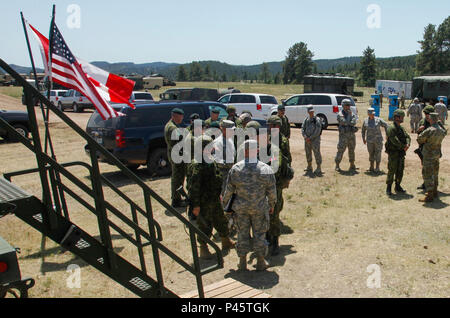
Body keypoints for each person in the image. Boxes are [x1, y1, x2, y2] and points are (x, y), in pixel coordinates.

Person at [222, 140, 277, 271]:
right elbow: (272, 191)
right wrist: (272, 204)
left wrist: (225, 206)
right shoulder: (265, 169)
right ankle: (261, 261)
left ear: (244, 151)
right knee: (260, 234)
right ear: (257, 150)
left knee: (242, 234)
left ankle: (242, 262)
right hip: (259, 208)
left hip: (241, 209)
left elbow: (228, 191)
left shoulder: (235, 169)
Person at [186, 135, 235, 259]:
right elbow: (193, 188)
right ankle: (204, 249)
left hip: (214, 199)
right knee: (204, 225)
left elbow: (216, 178)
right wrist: (195, 206)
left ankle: (226, 241)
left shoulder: (210, 160)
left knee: (221, 220)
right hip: (203, 202)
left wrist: (218, 194)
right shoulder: (196, 165)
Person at [266, 115, 292, 256]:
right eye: (270, 125)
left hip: (276, 182)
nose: (272, 128)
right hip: (264, 181)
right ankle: (266, 237)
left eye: (274, 126)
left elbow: (287, 161)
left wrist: (286, 178)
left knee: (275, 211)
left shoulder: (282, 140)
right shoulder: (265, 139)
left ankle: (274, 241)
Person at [417, 113, 447, 202]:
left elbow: (419, 139)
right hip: (436, 154)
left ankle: (429, 195)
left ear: (431, 119)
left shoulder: (429, 130)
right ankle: (434, 191)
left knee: (427, 174)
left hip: (428, 155)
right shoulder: (441, 130)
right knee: (435, 173)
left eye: (429, 119)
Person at [164, 108, 187, 207]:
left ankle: (177, 198)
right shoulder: (172, 128)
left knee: (177, 178)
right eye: (180, 117)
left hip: (174, 155)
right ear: (175, 116)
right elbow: (179, 142)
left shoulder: (171, 125)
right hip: (177, 156)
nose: (182, 119)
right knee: (178, 179)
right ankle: (176, 200)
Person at [385, 109, 411, 195]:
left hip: (401, 153)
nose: (403, 118)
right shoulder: (391, 128)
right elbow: (394, 140)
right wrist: (404, 147)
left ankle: (398, 185)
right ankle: (388, 188)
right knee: (392, 170)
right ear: (396, 117)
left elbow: (407, 136)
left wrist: (407, 144)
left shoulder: (401, 128)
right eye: (401, 117)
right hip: (393, 153)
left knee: (400, 170)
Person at [212, 120, 236, 194]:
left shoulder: (230, 140)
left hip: (230, 173)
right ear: (224, 129)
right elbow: (216, 160)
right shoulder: (218, 142)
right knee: (223, 194)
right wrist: (230, 165)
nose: (233, 132)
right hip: (222, 175)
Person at [361, 107, 388, 173]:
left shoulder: (378, 120)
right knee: (371, 154)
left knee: (378, 153)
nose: (372, 115)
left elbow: (386, 125)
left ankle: (377, 167)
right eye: (371, 114)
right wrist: (363, 139)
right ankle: (371, 167)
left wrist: (387, 135)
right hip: (369, 141)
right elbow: (363, 130)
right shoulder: (365, 121)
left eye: (373, 113)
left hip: (378, 140)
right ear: (368, 114)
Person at [335, 99, 358, 172]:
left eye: (349, 105)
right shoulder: (340, 114)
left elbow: (353, 122)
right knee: (340, 150)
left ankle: (352, 164)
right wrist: (349, 117)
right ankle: (337, 165)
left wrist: (350, 118)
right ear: (343, 106)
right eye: (347, 105)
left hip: (351, 135)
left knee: (352, 150)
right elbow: (344, 122)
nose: (348, 107)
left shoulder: (352, 114)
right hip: (343, 136)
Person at [302, 105, 322, 175]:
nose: (311, 113)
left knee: (317, 153)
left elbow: (318, 130)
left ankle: (318, 167)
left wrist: (310, 138)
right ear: (308, 112)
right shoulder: (306, 120)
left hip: (315, 140)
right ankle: (309, 166)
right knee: (308, 153)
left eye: (312, 111)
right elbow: (302, 129)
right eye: (310, 111)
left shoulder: (317, 119)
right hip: (307, 140)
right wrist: (305, 136)